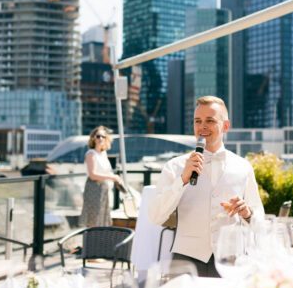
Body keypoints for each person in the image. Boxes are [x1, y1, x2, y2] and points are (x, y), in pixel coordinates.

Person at [149, 96, 265, 277]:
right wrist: (182, 180)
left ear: (226, 126)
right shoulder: (175, 166)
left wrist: (247, 213)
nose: (202, 126)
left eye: (210, 121)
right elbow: (155, 216)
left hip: (231, 260)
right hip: (185, 260)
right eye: (198, 121)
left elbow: (260, 220)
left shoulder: (243, 167)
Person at [82, 126, 122, 227]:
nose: (100, 139)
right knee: (93, 220)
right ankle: (90, 242)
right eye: (98, 136)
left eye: (103, 137)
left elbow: (105, 172)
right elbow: (92, 175)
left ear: (106, 139)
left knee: (102, 220)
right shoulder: (91, 154)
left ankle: (99, 242)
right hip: (94, 188)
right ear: (93, 138)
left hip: (103, 189)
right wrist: (112, 177)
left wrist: (114, 177)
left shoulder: (103, 153)